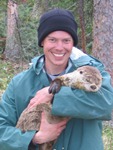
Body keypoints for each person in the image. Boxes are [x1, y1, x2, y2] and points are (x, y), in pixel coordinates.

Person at [0, 8, 113, 150]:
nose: (59, 47)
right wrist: (35, 138)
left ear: (73, 43)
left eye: (66, 40)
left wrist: (52, 95)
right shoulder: (20, 84)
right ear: (42, 42)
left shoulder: (91, 74)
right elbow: (2, 130)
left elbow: (106, 104)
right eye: (52, 40)